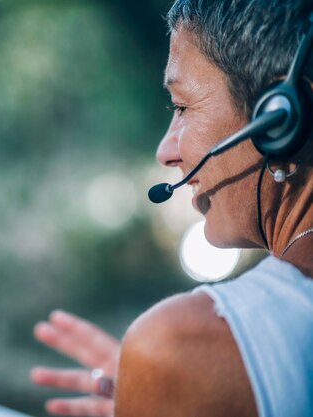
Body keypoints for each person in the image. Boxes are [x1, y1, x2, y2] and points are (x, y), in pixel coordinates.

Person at [31, 1, 313, 416]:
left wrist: (171, 367)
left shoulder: (175, 342)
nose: (165, 151)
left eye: (181, 107)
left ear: (282, 114)